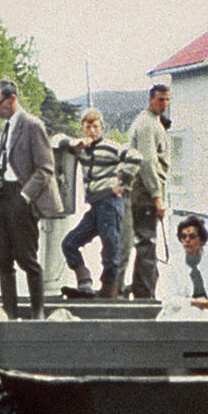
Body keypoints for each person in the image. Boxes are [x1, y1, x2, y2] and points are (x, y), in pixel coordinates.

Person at [0, 79, 62, 319]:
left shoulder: (32, 125)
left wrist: (24, 196)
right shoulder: (6, 126)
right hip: (2, 197)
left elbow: (46, 168)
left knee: (27, 258)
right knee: (2, 259)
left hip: (21, 197)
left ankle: (37, 312)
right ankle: (9, 312)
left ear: (12, 99)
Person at [57, 107, 140, 299]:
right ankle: (84, 281)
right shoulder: (81, 149)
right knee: (70, 243)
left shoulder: (110, 147)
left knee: (110, 250)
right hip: (95, 206)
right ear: (82, 129)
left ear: (101, 128)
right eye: (88, 127)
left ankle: (108, 293)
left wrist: (122, 183)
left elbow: (135, 156)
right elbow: (57, 140)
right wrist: (74, 142)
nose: (92, 131)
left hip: (110, 204)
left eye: (95, 126)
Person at [119, 84, 171, 299]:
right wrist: (157, 196)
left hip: (141, 193)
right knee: (147, 244)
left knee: (144, 244)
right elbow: (148, 162)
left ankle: (142, 289)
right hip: (144, 194)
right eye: (160, 99)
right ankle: (144, 295)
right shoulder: (148, 125)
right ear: (151, 99)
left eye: (167, 99)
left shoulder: (151, 122)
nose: (164, 104)